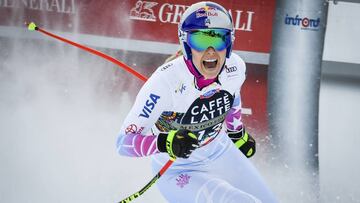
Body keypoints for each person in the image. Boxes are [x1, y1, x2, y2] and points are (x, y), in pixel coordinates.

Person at [117, 1, 278, 203]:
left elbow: (232, 97)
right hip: (178, 170)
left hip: (221, 152)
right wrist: (166, 142)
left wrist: (236, 133)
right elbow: (123, 143)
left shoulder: (234, 67)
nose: (211, 51)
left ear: (229, 43)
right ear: (186, 44)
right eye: (200, 41)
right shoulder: (164, 82)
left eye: (219, 39)